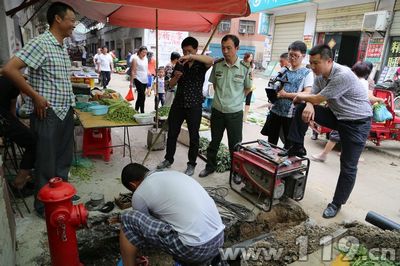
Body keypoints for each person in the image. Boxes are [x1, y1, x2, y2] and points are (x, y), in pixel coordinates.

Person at [2, 2, 77, 217]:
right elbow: (9, 69)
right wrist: (34, 96)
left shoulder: (61, 45)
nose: (74, 24)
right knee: (46, 161)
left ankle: (61, 197)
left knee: (63, 160)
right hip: (48, 113)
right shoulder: (41, 43)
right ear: (58, 19)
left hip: (65, 110)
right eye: (71, 20)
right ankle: (44, 206)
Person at [281, 44, 373, 218]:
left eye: (316, 63)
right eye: (311, 63)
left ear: (329, 61)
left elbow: (317, 97)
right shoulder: (320, 75)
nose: (313, 67)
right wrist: (307, 104)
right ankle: (297, 147)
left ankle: (336, 203)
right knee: (302, 108)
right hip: (338, 116)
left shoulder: (342, 75)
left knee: (348, 166)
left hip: (357, 123)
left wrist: (298, 96)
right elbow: (313, 96)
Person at [119, 163, 225, 266]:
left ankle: (128, 263)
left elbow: (140, 230)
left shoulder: (139, 194)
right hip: (219, 239)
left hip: (194, 249)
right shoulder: (172, 174)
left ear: (133, 184)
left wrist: (138, 253)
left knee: (127, 218)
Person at [157, 37, 213, 176]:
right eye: (184, 51)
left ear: (195, 50)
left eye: (189, 51)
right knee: (172, 133)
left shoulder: (201, 64)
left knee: (194, 136)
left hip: (194, 105)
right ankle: (168, 159)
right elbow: (170, 85)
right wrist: (176, 77)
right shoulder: (180, 63)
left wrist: (192, 57)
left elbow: (211, 61)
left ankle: (191, 164)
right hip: (178, 104)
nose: (186, 53)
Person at [199, 34, 252, 178]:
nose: (225, 51)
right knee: (214, 142)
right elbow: (215, 86)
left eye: (229, 48)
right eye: (223, 48)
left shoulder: (245, 68)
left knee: (235, 145)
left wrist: (236, 100)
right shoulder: (217, 65)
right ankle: (210, 167)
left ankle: (236, 172)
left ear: (237, 48)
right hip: (217, 111)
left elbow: (247, 89)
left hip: (235, 113)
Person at [311, 61, 384, 163]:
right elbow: (368, 97)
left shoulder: (348, 78)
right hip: (350, 115)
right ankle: (332, 154)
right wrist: (379, 99)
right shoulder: (361, 81)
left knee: (337, 137)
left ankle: (327, 154)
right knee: (341, 139)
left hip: (348, 115)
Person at [264, 41, 313, 149]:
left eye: (296, 56)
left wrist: (286, 95)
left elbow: (307, 93)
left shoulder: (307, 73)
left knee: (288, 146)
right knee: (271, 143)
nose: (292, 58)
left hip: (291, 115)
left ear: (303, 56)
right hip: (275, 111)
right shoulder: (284, 70)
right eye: (291, 55)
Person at [0, 74, 36, 189]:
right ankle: (19, 181)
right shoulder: (14, 84)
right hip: (2, 118)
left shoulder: (6, 80)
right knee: (33, 142)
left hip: (3, 117)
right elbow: (12, 113)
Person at [130, 46, 148, 113]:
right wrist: (131, 82)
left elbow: (146, 69)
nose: (144, 54)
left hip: (144, 79)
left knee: (140, 96)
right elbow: (133, 71)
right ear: (140, 52)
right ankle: (142, 111)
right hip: (137, 78)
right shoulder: (135, 59)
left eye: (146, 52)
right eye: (143, 52)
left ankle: (136, 110)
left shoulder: (146, 58)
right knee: (142, 95)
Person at [243, 52, 256, 122]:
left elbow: (252, 75)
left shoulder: (252, 65)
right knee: (241, 98)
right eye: (250, 57)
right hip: (242, 84)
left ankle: (245, 115)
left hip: (249, 83)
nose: (251, 58)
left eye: (252, 57)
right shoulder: (242, 64)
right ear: (246, 57)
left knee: (248, 99)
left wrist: (251, 80)